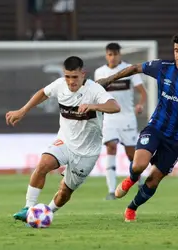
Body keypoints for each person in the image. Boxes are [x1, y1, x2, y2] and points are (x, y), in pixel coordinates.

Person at [97, 33, 178, 222]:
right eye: (176, 50)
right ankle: (131, 179)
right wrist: (109, 80)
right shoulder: (163, 67)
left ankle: (132, 208)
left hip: (177, 137)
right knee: (139, 164)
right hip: (156, 127)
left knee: (154, 179)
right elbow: (134, 68)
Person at [8, 56, 120, 222]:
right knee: (43, 164)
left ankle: (48, 211)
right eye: (67, 76)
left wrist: (94, 106)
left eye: (74, 77)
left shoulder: (94, 90)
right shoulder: (60, 85)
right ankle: (29, 208)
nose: (70, 81)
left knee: (64, 192)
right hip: (65, 142)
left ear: (83, 74)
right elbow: (42, 93)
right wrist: (22, 111)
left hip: (87, 153)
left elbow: (115, 107)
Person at [94, 43, 147, 200]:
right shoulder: (100, 72)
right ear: (106, 55)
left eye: (115, 54)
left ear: (120, 55)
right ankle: (111, 190)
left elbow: (143, 92)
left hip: (127, 117)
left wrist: (140, 104)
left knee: (131, 154)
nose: (113, 57)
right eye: (110, 54)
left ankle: (139, 182)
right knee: (110, 148)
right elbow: (97, 94)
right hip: (109, 117)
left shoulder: (129, 70)